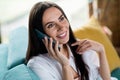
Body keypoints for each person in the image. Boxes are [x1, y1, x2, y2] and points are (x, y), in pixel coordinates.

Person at [26, 1, 111, 80]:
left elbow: (105, 78)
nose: (61, 27)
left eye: (61, 18)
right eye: (51, 25)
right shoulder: (38, 65)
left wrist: (101, 50)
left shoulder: (79, 46)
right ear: (40, 34)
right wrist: (65, 65)